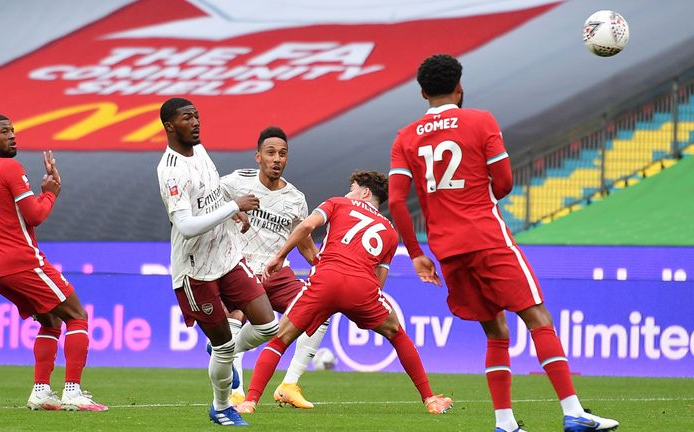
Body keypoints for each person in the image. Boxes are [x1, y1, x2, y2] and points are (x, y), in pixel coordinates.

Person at [387, 54, 619, 432]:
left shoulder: (405, 136)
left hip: (446, 249)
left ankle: (505, 422)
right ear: (460, 87)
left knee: (496, 331)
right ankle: (574, 412)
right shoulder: (481, 120)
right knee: (537, 317)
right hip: (487, 236)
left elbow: (397, 201)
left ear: (423, 91)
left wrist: (416, 254)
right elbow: (506, 182)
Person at [234, 170, 454, 416]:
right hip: (362, 287)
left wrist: (280, 255)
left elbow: (306, 226)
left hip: (325, 279)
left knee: (280, 339)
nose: (348, 192)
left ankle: (249, 402)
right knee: (397, 333)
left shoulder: (338, 203)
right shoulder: (390, 232)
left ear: (365, 192)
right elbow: (379, 280)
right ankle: (430, 399)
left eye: (352, 188)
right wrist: (362, 310)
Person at [155, 97, 279, 426]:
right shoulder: (171, 172)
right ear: (169, 126)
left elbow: (212, 191)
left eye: (196, 117)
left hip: (226, 255)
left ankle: (223, 352)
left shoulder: (199, 150)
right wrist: (233, 205)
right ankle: (221, 406)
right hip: (196, 271)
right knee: (224, 346)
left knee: (269, 326)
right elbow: (185, 225)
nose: (195, 123)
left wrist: (231, 207)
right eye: (187, 118)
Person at [0, 114, 107, 412]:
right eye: (4, 131)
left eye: (13, 130)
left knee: (50, 320)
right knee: (77, 314)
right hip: (22, 261)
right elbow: (34, 216)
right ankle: (73, 392)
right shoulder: (10, 167)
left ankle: (41, 391)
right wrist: (50, 193)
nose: (12, 136)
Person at [220, 126, 323, 409]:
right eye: (271, 153)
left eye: (282, 154)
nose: (277, 159)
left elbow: (304, 243)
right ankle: (235, 392)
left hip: (277, 272)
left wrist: (323, 267)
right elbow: (207, 200)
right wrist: (230, 209)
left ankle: (289, 384)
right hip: (240, 266)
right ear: (258, 157)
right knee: (234, 322)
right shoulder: (236, 183)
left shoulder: (295, 198)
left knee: (318, 311)